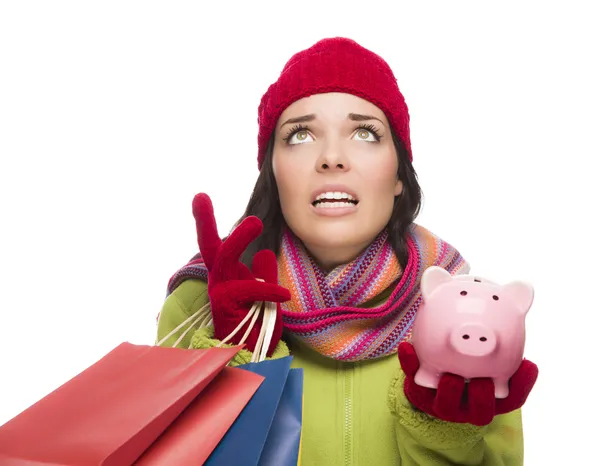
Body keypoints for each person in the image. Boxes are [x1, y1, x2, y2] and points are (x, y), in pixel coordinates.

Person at [156, 37, 538, 465]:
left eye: (364, 133)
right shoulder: (202, 306)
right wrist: (236, 360)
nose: (332, 157)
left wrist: (445, 434)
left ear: (398, 174)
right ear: (273, 171)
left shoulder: (471, 317)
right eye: (300, 134)